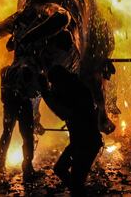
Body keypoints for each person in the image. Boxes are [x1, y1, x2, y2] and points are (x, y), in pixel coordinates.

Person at [39, 65, 102, 196]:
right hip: (80, 142)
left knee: (76, 181)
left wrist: (45, 94)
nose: (53, 86)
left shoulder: (75, 91)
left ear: (59, 81)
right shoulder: (73, 86)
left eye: (53, 83)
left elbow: (64, 112)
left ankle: (79, 192)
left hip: (87, 143)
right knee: (61, 170)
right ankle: (79, 191)